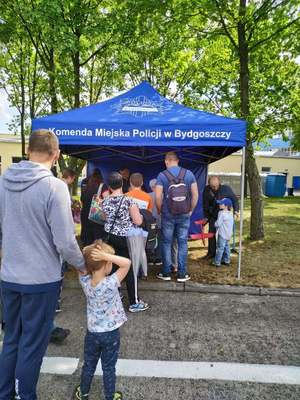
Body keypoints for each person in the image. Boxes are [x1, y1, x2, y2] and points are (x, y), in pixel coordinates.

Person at [0, 129, 86, 400]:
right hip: (41, 279)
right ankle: (26, 395)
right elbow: (64, 241)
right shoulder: (55, 186)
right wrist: (82, 264)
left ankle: (5, 394)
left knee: (11, 339)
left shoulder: (3, 181)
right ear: (56, 154)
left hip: (10, 275)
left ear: (28, 151)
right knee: (32, 345)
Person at [75, 240, 130, 400]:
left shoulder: (85, 282)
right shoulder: (111, 283)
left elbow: (80, 265)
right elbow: (127, 263)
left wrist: (88, 254)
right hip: (111, 334)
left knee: (89, 365)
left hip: (92, 334)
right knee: (108, 367)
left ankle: (83, 393)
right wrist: (106, 255)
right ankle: (109, 396)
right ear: (107, 264)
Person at [102, 172, 149, 313]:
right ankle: (134, 302)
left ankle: (115, 294)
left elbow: (104, 218)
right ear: (122, 184)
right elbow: (138, 221)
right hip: (126, 239)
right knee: (130, 268)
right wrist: (140, 215)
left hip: (110, 237)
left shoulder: (104, 201)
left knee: (114, 266)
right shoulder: (129, 201)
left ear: (109, 187)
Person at [155, 152, 199, 282]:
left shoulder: (162, 175)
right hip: (184, 213)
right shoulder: (189, 174)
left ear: (166, 161)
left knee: (166, 242)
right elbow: (195, 195)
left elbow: (158, 196)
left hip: (168, 214)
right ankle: (182, 273)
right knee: (182, 242)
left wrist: (160, 210)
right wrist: (190, 210)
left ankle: (166, 272)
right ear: (178, 161)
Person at [202, 176, 239, 260]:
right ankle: (211, 253)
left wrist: (236, 210)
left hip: (224, 216)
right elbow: (205, 204)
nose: (214, 188)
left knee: (223, 236)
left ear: (219, 183)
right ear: (209, 184)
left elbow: (234, 199)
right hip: (213, 215)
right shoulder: (206, 190)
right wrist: (206, 216)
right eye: (212, 186)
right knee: (211, 234)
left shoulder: (226, 189)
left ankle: (223, 256)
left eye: (216, 186)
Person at [149, 179, 177, 269]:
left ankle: (150, 258)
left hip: (150, 222)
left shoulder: (148, 195)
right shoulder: (165, 195)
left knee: (150, 239)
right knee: (161, 240)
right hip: (162, 221)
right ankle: (158, 258)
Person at [80, 168, 109, 246]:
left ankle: (87, 255)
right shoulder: (102, 186)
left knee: (86, 239)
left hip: (85, 214)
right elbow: (107, 201)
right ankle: (96, 256)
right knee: (97, 240)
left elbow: (82, 198)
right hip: (96, 216)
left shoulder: (84, 183)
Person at [212, 198, 234, 267]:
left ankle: (217, 262)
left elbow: (218, 224)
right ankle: (226, 260)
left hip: (222, 234)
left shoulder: (221, 213)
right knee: (227, 247)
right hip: (228, 234)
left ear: (226, 206)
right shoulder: (230, 213)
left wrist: (214, 224)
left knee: (220, 248)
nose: (219, 204)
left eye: (221, 204)